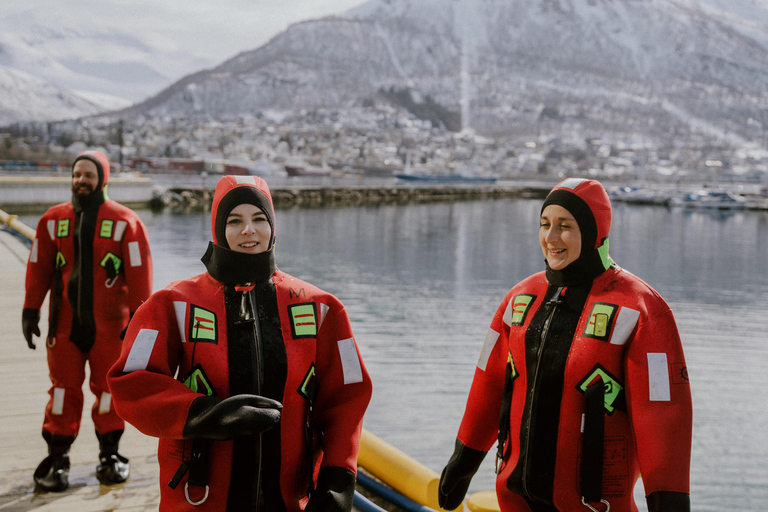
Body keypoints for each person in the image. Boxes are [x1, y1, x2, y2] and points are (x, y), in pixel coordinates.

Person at [107, 175, 373, 511]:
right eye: (235, 221)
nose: (249, 230)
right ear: (218, 229)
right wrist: (203, 415)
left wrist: (338, 478)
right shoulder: (171, 304)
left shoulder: (321, 308)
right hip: (200, 497)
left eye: (259, 219)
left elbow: (348, 397)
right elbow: (131, 383)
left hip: (290, 499)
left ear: (273, 226)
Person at [438, 178, 692, 512]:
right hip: (515, 499)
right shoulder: (519, 300)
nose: (551, 237)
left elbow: (663, 413)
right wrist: (464, 458)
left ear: (593, 231)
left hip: (593, 503)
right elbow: (489, 379)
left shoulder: (642, 310)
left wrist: (668, 499)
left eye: (565, 226)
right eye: (545, 224)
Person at [22, 150, 153, 491]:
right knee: (63, 392)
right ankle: (57, 459)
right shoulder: (52, 221)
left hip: (112, 328)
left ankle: (109, 456)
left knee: (109, 391)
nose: (81, 180)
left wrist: (140, 321)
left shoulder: (127, 223)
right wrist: (30, 310)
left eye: (88, 175)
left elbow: (141, 275)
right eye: (77, 174)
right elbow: (38, 267)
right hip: (63, 327)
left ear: (102, 179)